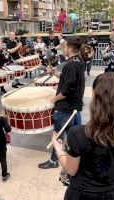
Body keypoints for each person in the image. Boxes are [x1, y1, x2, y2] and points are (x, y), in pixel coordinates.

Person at [53, 73, 114, 200]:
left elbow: (71, 170)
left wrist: (58, 149)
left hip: (81, 195)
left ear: (93, 96)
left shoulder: (77, 133)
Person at [38, 37, 85, 169]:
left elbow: (67, 90)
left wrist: (54, 99)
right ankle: (75, 158)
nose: (63, 50)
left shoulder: (70, 64)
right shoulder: (79, 61)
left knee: (58, 135)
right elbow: (67, 79)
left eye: (64, 48)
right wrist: (53, 72)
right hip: (75, 108)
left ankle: (53, 161)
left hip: (65, 108)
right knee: (73, 136)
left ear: (69, 48)